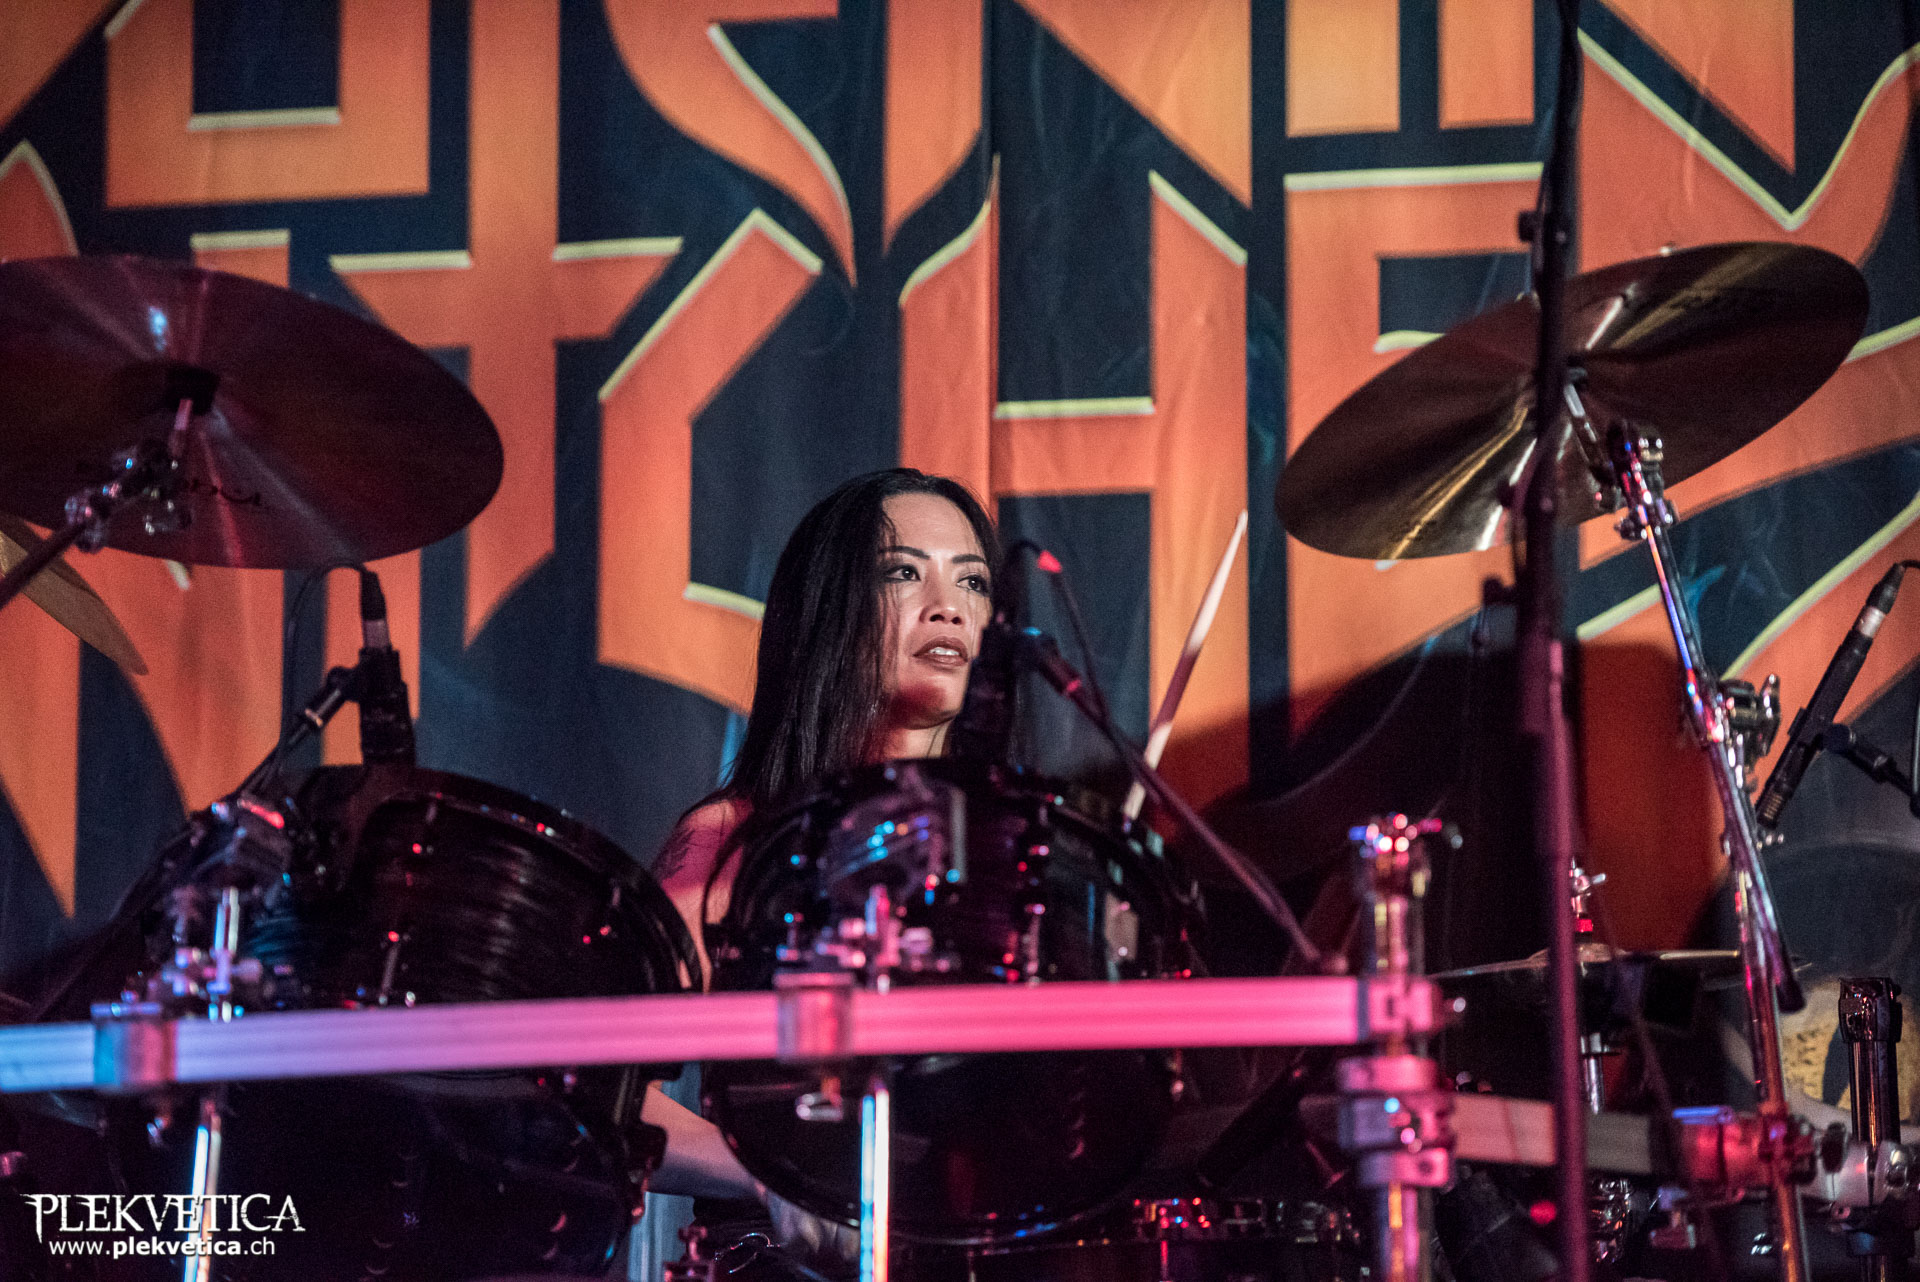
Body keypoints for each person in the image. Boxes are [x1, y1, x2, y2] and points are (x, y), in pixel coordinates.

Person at [637, 468, 999, 1241]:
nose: (950, 606)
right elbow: (600, 1091)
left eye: (972, 582)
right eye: (904, 573)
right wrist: (773, 1182)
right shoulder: (731, 840)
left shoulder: (1012, 862)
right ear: (829, 611)